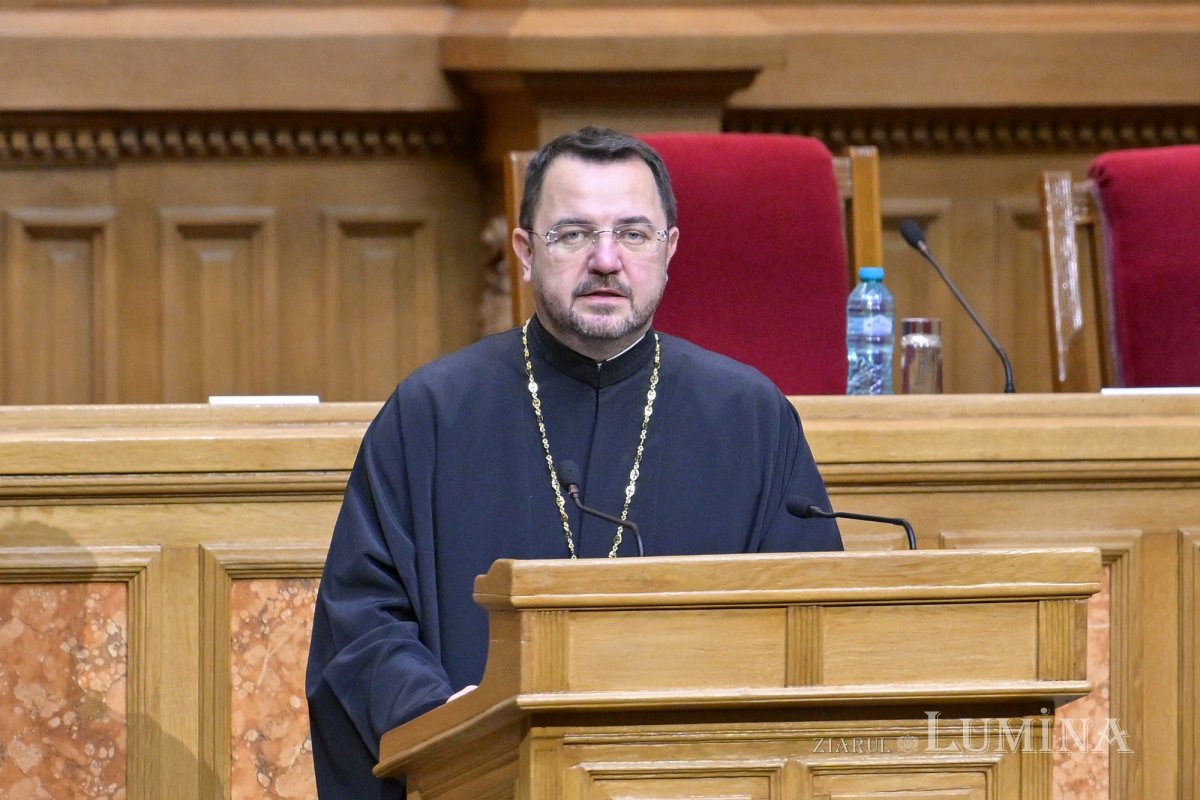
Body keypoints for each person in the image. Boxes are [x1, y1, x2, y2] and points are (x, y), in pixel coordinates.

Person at [305, 125, 843, 799]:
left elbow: (814, 626)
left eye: (633, 233)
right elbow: (363, 620)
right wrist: (442, 722)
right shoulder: (432, 414)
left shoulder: (751, 418)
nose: (607, 259)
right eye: (574, 234)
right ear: (526, 252)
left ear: (670, 251)